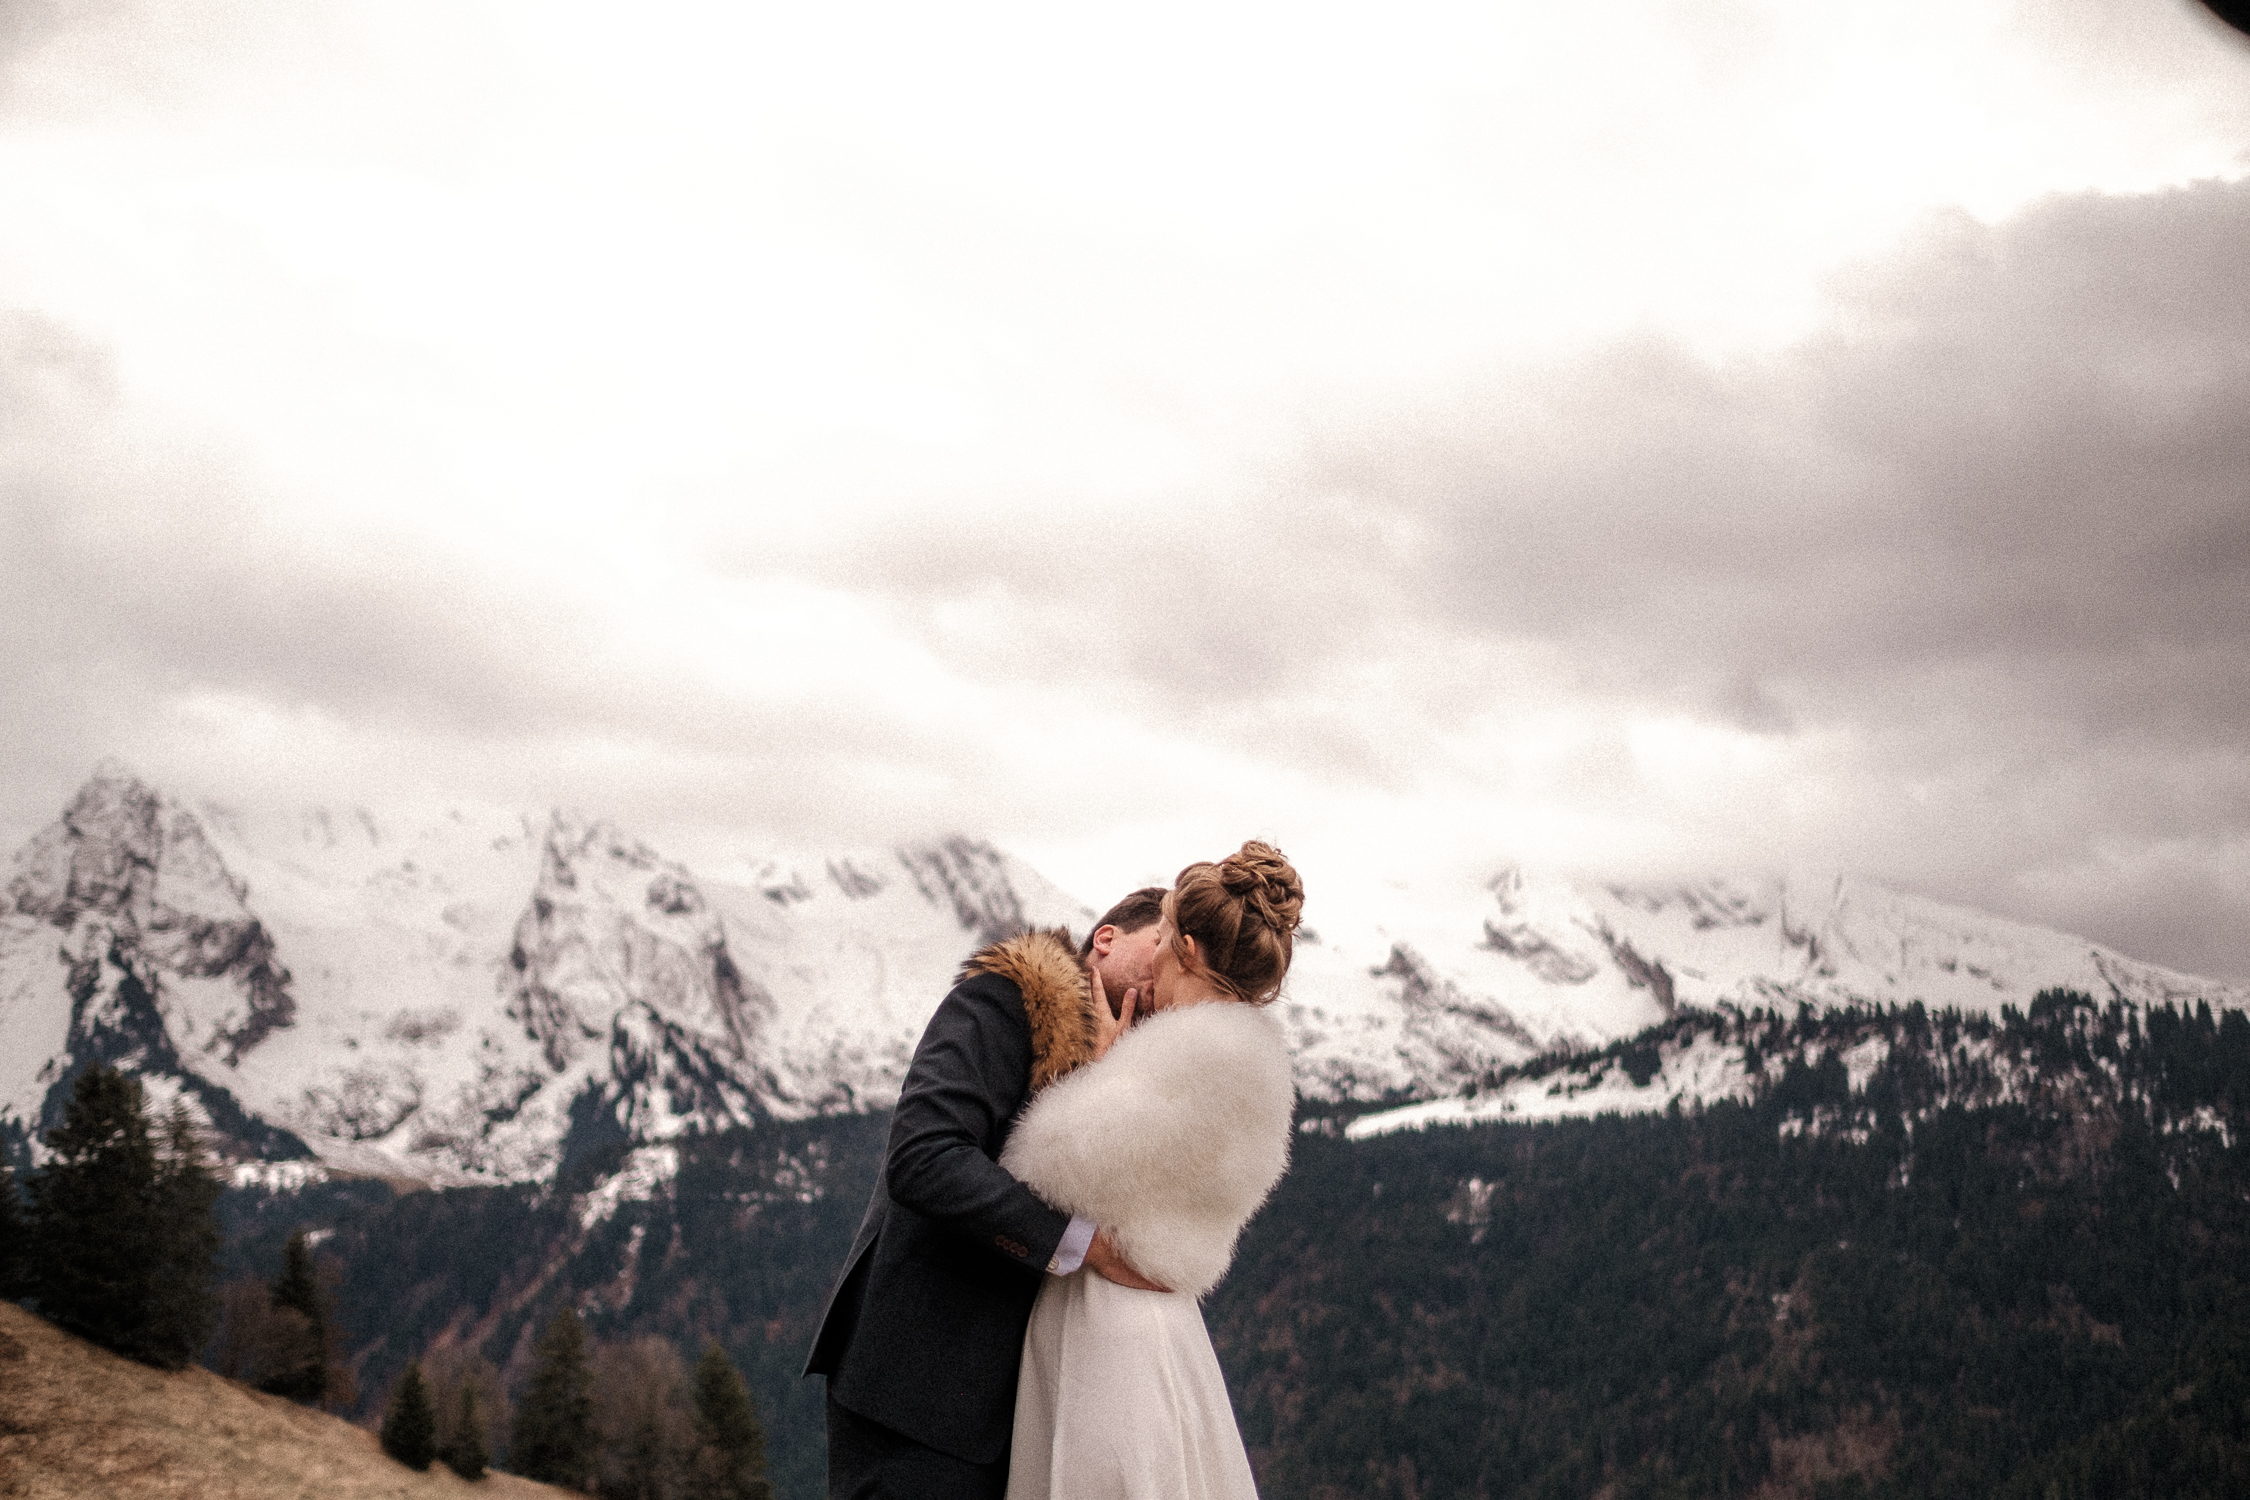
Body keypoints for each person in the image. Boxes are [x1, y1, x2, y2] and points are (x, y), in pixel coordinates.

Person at [804, 886, 1171, 1499]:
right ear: (1105, 940)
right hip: (919, 1387)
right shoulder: (1005, 1001)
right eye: (1161, 946)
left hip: (1016, 1410)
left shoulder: (1128, 1067)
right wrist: (1087, 1245)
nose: (1167, 974)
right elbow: (925, 1157)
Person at [1002, 841, 1303, 1500]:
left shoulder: (1192, 1057)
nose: (1155, 954)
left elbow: (1040, 1163)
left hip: (1111, 1335)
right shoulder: (1250, 1063)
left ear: (1188, 949)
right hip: (1164, 1322)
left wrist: (1095, 1069)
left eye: (1165, 936)